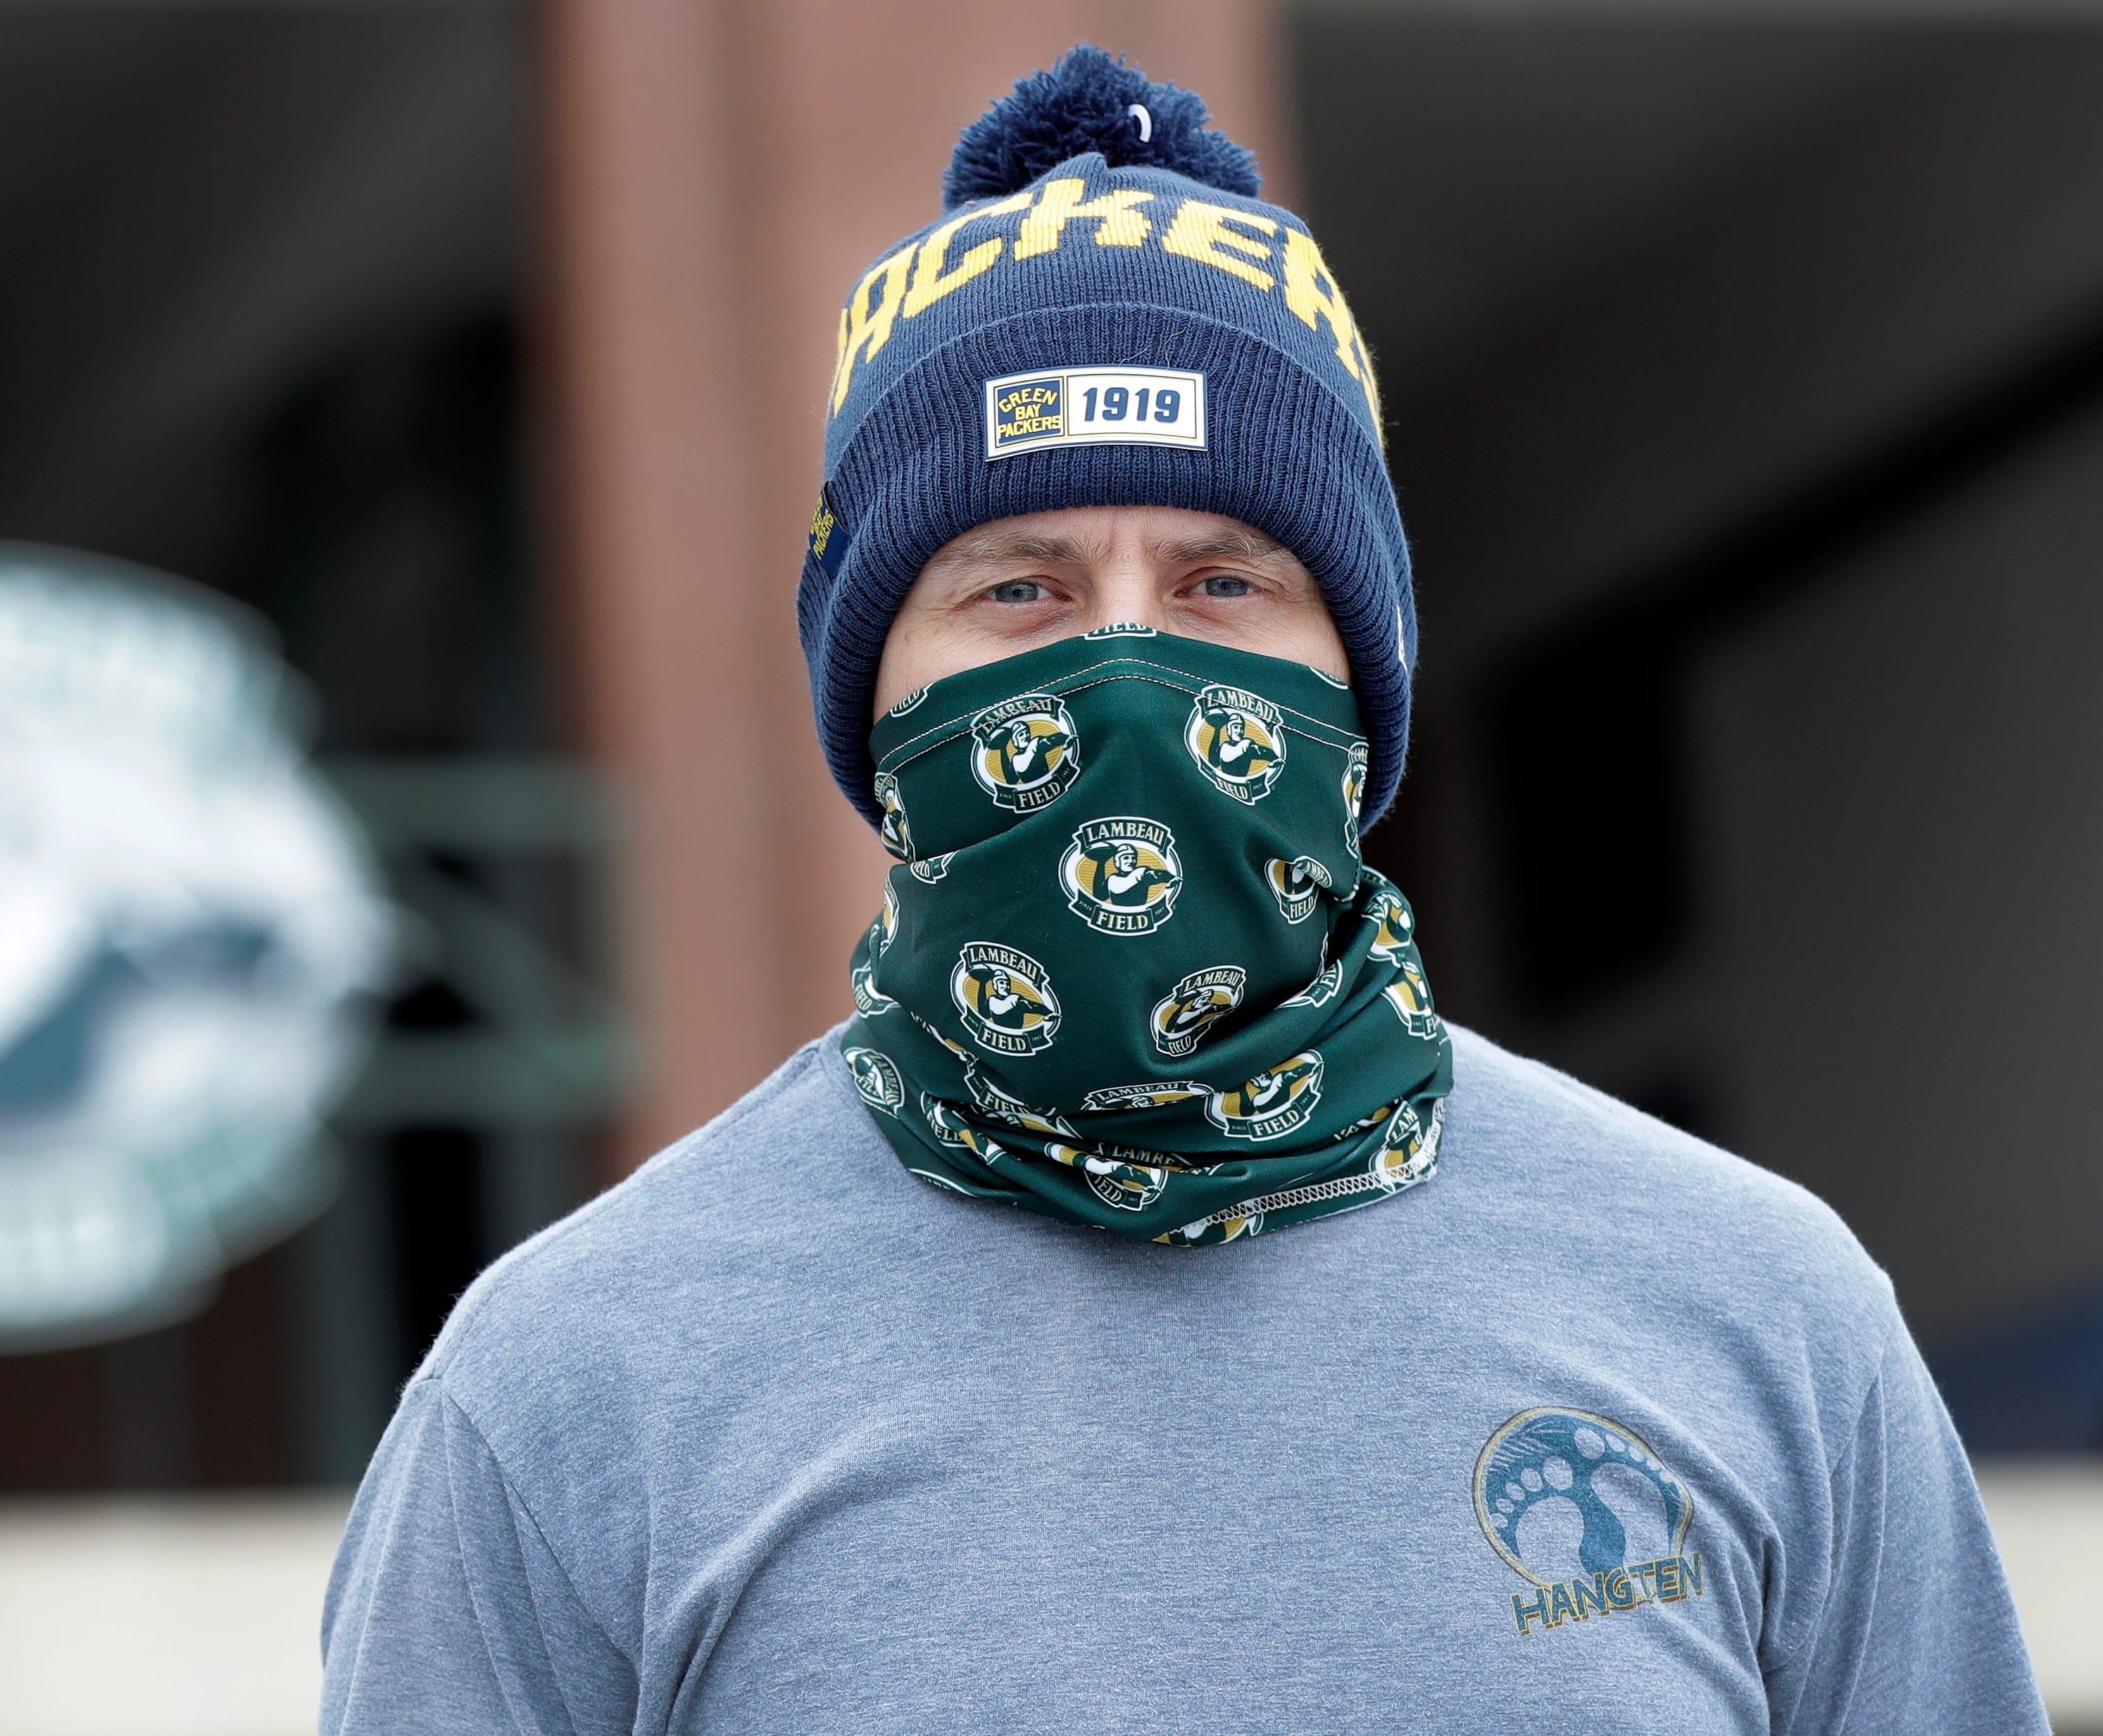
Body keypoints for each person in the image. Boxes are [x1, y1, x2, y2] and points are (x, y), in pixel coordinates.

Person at [320, 46, 2043, 1732]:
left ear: (1359, 688)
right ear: (869, 694)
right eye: (1018, 589)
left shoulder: (1753, 1313)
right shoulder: (571, 1389)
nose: (1125, 672)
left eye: (1224, 582)